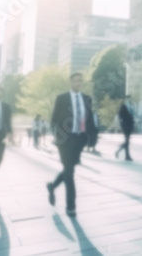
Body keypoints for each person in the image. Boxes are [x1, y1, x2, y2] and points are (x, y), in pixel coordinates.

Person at [46, 73, 95, 217]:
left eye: (81, 81)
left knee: (69, 169)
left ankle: (52, 186)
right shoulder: (62, 98)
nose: (78, 83)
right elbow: (54, 119)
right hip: (65, 139)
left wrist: (91, 138)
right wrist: (58, 137)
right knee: (69, 172)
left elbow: (89, 119)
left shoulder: (87, 99)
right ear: (70, 82)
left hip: (79, 139)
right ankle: (71, 206)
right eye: (75, 81)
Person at [115, 95, 135, 161]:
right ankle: (127, 156)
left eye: (130, 98)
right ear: (125, 99)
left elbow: (132, 116)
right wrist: (122, 125)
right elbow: (120, 116)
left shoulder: (131, 107)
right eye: (128, 99)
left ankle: (119, 151)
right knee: (127, 141)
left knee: (127, 141)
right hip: (125, 126)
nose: (129, 100)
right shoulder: (123, 106)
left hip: (130, 126)